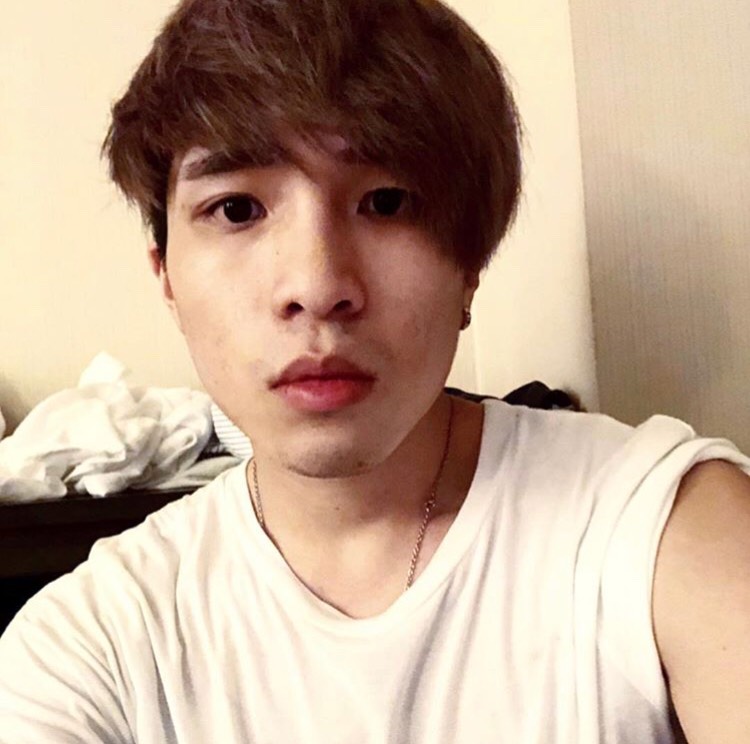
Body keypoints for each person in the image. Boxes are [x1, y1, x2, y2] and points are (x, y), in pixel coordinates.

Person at [1, 0, 749, 742]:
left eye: (386, 202)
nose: (317, 285)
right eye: (236, 210)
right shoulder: (90, 647)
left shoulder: (664, 526)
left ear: (469, 267)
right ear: (166, 274)